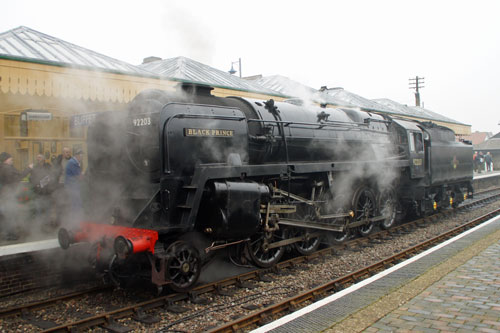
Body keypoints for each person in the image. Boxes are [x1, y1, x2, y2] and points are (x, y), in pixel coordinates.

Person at [0, 152, 33, 240]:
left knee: (8, 215)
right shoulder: (6, 169)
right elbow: (17, 178)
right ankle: (11, 235)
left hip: (6, 195)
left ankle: (9, 233)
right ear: (6, 160)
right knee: (11, 215)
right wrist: (28, 169)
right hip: (8, 196)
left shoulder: (5, 168)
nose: (12, 160)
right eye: (10, 159)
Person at [30, 154, 52, 226]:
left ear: (43, 158)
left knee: (47, 208)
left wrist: (44, 183)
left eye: (39, 157)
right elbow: (32, 178)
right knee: (38, 209)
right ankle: (39, 224)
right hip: (38, 191)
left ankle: (47, 223)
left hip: (47, 191)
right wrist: (36, 184)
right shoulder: (35, 167)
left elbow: (52, 176)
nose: (38, 159)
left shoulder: (48, 166)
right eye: (37, 157)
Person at [51, 147, 72, 226]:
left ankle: (67, 221)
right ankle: (58, 221)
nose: (68, 154)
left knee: (67, 204)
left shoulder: (72, 161)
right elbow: (53, 172)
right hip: (60, 184)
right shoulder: (58, 161)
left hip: (69, 185)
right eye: (66, 152)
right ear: (63, 153)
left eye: (69, 152)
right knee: (59, 203)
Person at [65, 150, 84, 222]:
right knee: (76, 205)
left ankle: (75, 220)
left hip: (72, 186)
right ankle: (75, 221)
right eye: (81, 156)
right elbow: (79, 176)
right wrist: (83, 174)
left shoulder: (72, 162)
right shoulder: (73, 163)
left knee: (74, 204)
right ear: (77, 155)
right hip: (72, 187)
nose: (82, 157)